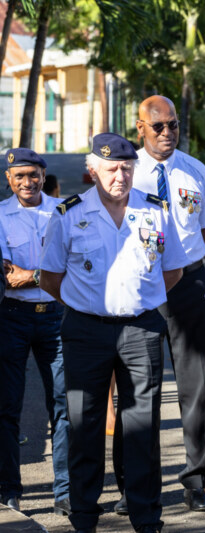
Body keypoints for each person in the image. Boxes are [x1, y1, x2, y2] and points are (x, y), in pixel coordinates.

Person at [39, 133, 189, 533]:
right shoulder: (69, 213)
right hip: (86, 330)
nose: (120, 175)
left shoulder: (155, 211)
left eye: (126, 167)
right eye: (110, 168)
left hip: (141, 327)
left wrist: (140, 298)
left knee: (142, 428)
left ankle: (145, 516)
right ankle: (84, 515)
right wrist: (84, 303)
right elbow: (51, 276)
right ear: (93, 171)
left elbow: (172, 270)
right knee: (84, 424)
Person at [123, 94, 205, 513]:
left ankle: (197, 480)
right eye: (159, 126)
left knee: (196, 386)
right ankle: (135, 485)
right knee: (137, 389)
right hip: (139, 287)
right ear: (141, 130)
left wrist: (179, 267)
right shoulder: (124, 172)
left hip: (187, 283)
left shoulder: (195, 171)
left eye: (174, 125)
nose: (168, 133)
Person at [0, 148, 70, 515]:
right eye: (19, 176)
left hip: (56, 317)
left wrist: (29, 275)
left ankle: (65, 491)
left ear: (44, 176)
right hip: (11, 317)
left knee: (63, 405)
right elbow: (3, 274)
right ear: (9, 180)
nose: (27, 182)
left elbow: (73, 264)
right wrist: (45, 274)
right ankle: (9, 490)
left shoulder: (64, 211)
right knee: (6, 407)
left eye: (34, 175)